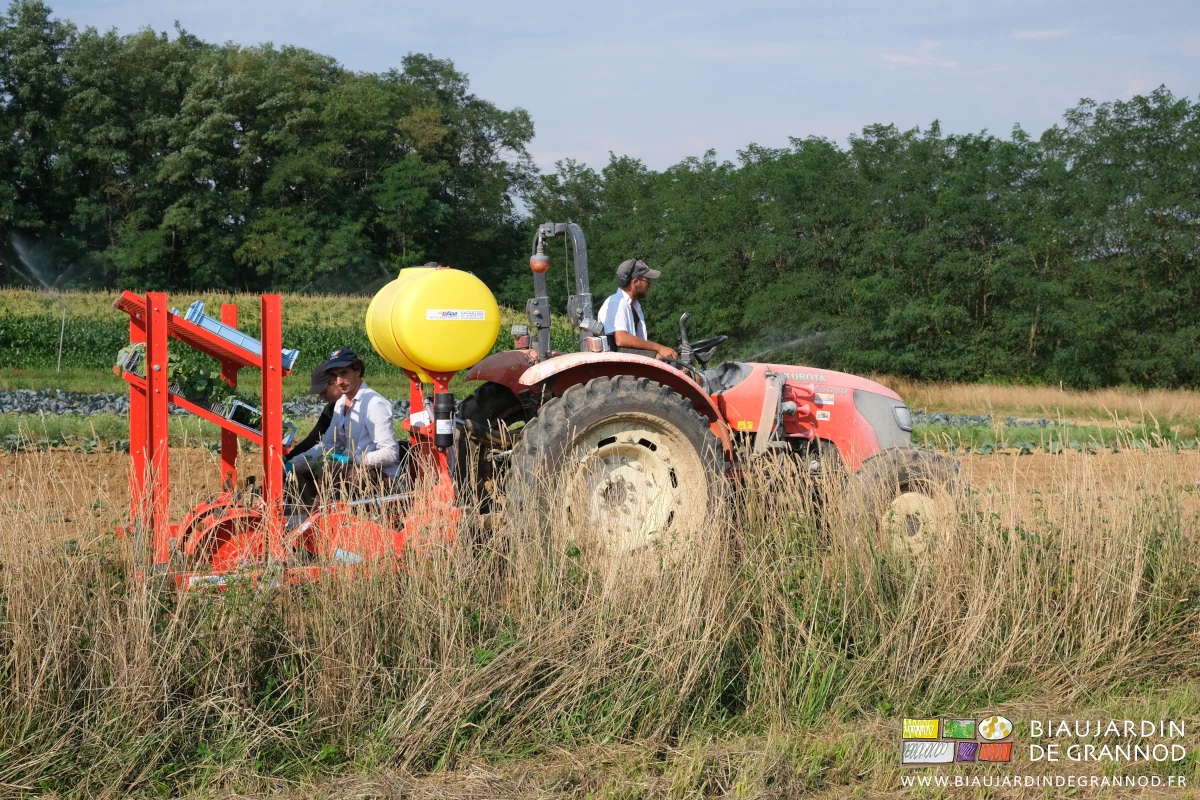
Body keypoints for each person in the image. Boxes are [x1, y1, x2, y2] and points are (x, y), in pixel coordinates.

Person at [289, 348, 400, 501]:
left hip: (382, 475)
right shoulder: (341, 403)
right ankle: (308, 515)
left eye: (344, 373)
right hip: (352, 469)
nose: (339, 381)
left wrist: (354, 460)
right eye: (334, 376)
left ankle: (324, 519)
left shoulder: (375, 404)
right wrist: (293, 464)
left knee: (332, 470)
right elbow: (327, 446)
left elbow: (390, 453)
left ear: (358, 370)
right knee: (299, 473)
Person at [597, 258, 678, 359]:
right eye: (647, 281)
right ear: (635, 282)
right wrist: (658, 348)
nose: (649, 285)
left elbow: (638, 343)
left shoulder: (634, 306)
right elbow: (621, 339)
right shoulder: (616, 303)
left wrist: (657, 353)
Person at [284, 361, 345, 462]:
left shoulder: (361, 407)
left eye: (323, 391)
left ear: (335, 381)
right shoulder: (330, 410)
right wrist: (288, 458)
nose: (321, 397)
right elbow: (313, 440)